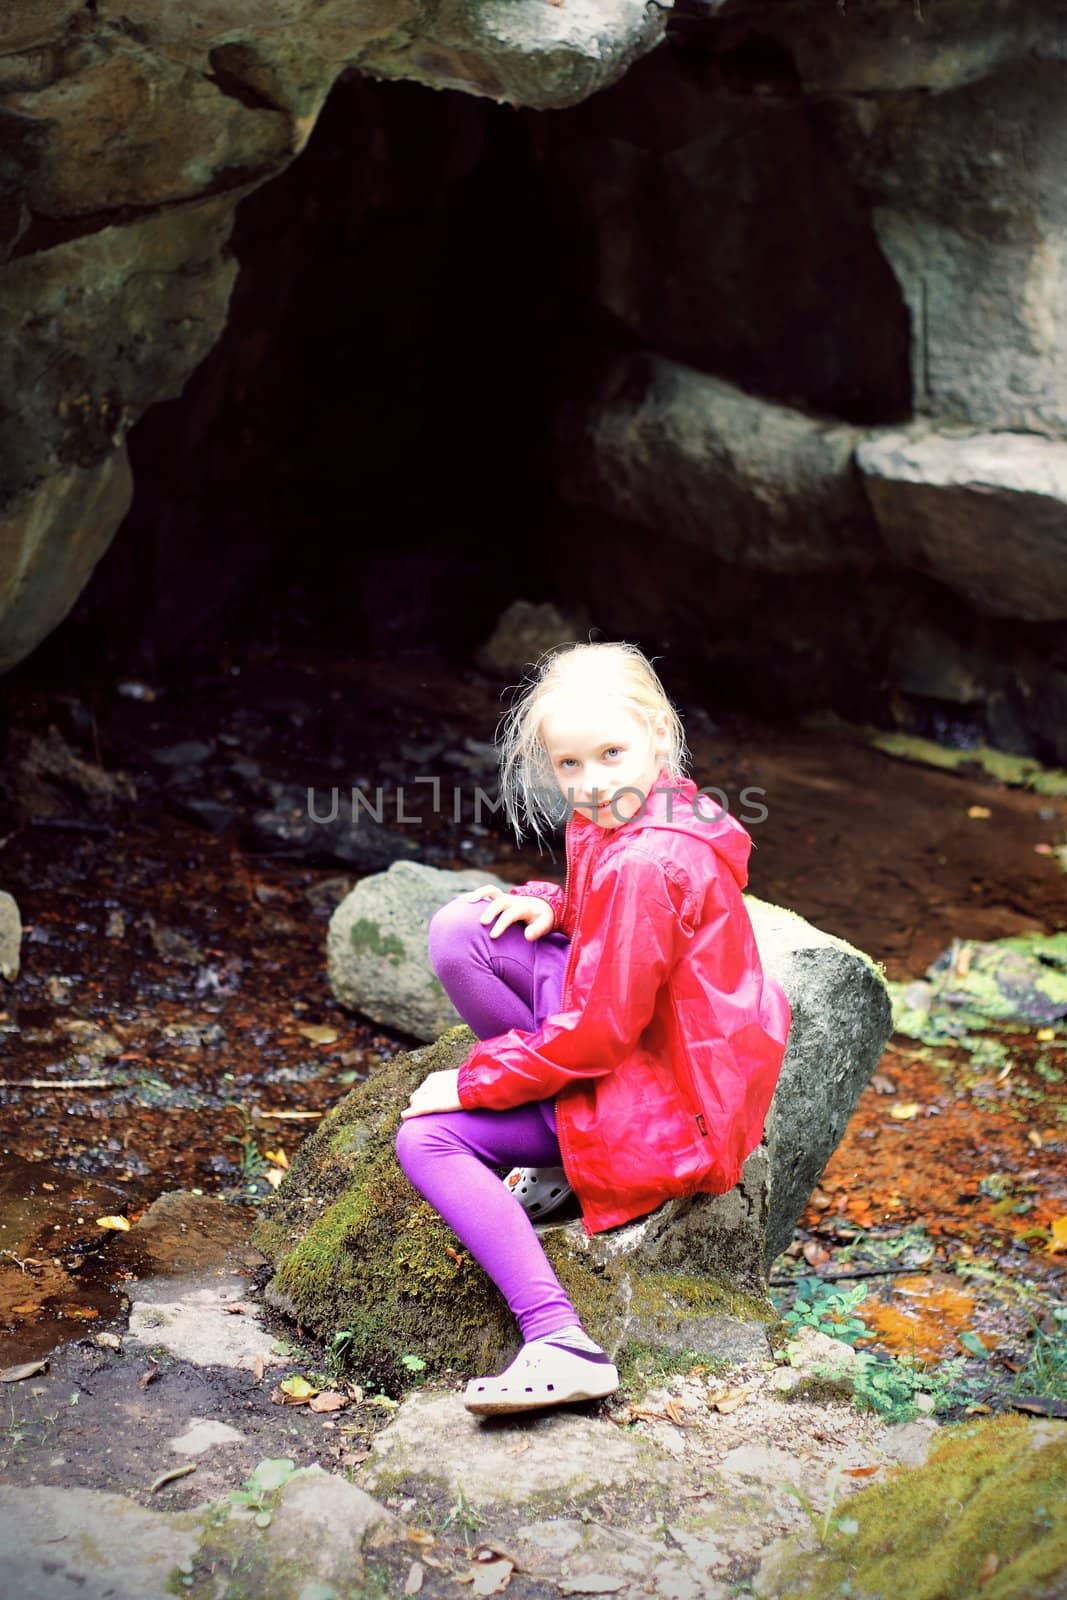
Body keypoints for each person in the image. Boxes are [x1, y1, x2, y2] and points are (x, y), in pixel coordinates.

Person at [395, 642, 792, 1417]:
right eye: (569, 765)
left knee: (429, 1139)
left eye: (611, 753)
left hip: (664, 1102)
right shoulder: (644, 805)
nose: (592, 782)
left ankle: (560, 1343)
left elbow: (600, 1034)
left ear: (656, 733)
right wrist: (559, 903)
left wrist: (476, 1080)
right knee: (462, 931)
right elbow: (619, 931)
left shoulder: (649, 860)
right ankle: (556, 1147)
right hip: (653, 1052)